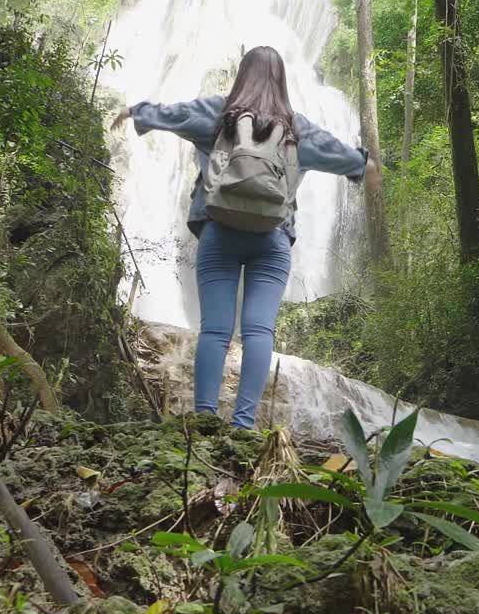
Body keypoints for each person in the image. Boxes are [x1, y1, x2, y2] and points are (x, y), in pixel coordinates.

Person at [110, 46, 380, 429]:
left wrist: (138, 112)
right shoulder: (298, 128)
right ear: (282, 81)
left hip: (219, 231)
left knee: (217, 329)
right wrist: (365, 165)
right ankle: (243, 424)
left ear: (241, 75)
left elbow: (174, 115)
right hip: (272, 239)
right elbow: (348, 158)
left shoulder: (218, 114)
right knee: (258, 331)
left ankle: (204, 419)